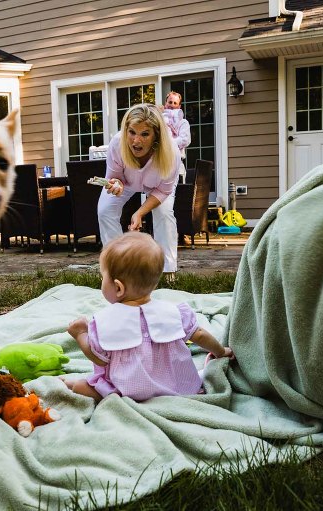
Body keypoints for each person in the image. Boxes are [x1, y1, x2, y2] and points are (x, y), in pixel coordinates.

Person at [64, 232, 233, 403]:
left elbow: (97, 358)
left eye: (103, 277)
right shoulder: (173, 313)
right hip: (176, 388)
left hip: (127, 391)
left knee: (85, 386)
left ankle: (97, 392)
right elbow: (200, 335)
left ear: (118, 288)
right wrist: (220, 351)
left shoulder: (106, 322)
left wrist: (80, 334)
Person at [97, 103, 181, 277]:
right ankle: (117, 267)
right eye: (132, 132)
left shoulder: (171, 152)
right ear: (126, 129)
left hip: (158, 187)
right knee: (104, 210)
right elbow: (114, 177)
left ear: (156, 135)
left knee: (164, 213)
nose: (136, 141)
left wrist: (139, 213)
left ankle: (167, 270)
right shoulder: (117, 144)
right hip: (127, 182)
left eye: (144, 134)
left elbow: (163, 191)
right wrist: (116, 185)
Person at [161, 91, 191, 184]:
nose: (172, 105)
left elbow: (184, 140)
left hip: (177, 166)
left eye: (175, 103)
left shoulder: (183, 122)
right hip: (160, 167)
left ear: (179, 106)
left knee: (179, 197)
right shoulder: (160, 121)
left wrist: (166, 144)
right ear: (165, 104)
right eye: (170, 102)